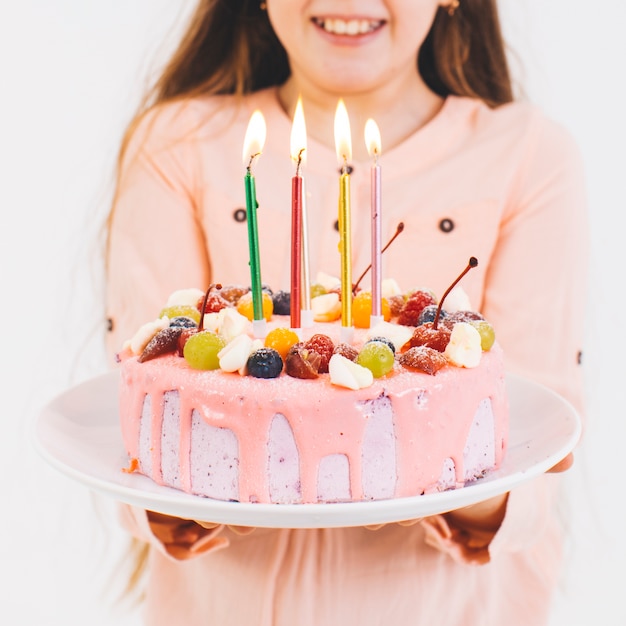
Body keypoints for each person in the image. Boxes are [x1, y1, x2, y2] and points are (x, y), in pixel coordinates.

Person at [105, 0, 588, 624]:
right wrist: (177, 501)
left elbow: (533, 456)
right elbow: (143, 429)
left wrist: (443, 478)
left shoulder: (529, 154)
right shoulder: (177, 145)